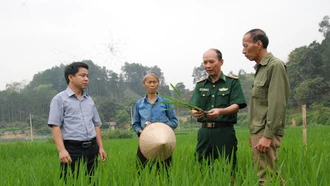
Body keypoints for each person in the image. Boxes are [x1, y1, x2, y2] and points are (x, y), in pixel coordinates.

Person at [242, 29, 290, 185]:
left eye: (245, 45)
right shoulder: (260, 69)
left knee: (266, 177)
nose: (243, 51)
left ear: (258, 44)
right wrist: (254, 132)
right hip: (259, 130)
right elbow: (259, 105)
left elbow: (277, 103)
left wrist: (267, 135)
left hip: (266, 130)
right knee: (268, 175)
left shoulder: (275, 66)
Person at [189, 48, 247, 170]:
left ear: (221, 62)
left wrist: (221, 111)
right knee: (202, 167)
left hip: (224, 131)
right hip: (205, 133)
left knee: (229, 167)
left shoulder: (232, 83)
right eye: (205, 62)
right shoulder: (200, 85)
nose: (208, 65)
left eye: (211, 61)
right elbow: (193, 107)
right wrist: (196, 113)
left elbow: (237, 105)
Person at [48, 62, 107, 179]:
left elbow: (96, 125)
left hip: (92, 148)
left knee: (93, 181)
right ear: (71, 77)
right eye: (82, 75)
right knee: (70, 181)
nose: (86, 79)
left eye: (87, 76)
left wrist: (100, 147)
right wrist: (62, 150)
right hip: (72, 150)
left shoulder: (89, 100)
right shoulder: (59, 99)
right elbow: (55, 126)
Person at [132, 71, 178, 169]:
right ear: (144, 84)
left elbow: (174, 121)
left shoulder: (166, 102)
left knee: (165, 174)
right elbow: (135, 124)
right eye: (149, 82)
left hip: (163, 144)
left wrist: (159, 127)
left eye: (154, 82)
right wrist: (143, 131)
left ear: (158, 83)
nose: (152, 84)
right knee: (142, 173)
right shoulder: (139, 104)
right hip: (145, 143)